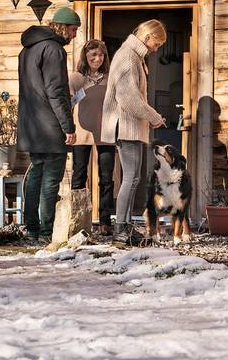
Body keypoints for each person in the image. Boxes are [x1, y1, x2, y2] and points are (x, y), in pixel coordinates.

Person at [17, 5, 81, 242]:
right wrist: (68, 126)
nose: (74, 35)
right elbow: (55, 91)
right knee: (50, 178)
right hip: (50, 124)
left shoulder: (27, 49)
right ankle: (46, 231)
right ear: (63, 27)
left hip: (31, 124)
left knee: (36, 174)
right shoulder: (53, 50)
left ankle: (31, 228)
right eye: (73, 30)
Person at [101, 19, 167, 245]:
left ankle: (126, 227)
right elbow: (129, 99)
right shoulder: (128, 56)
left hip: (131, 125)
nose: (156, 49)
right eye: (156, 44)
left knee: (133, 177)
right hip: (126, 125)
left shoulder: (133, 56)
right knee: (130, 178)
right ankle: (121, 228)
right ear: (148, 38)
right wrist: (154, 117)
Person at [69, 39, 117, 235]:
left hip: (106, 132)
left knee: (106, 178)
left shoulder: (110, 78)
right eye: (92, 56)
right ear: (85, 58)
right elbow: (68, 103)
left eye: (100, 55)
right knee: (79, 175)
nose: (97, 59)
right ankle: (77, 220)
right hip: (81, 132)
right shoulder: (77, 78)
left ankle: (105, 221)